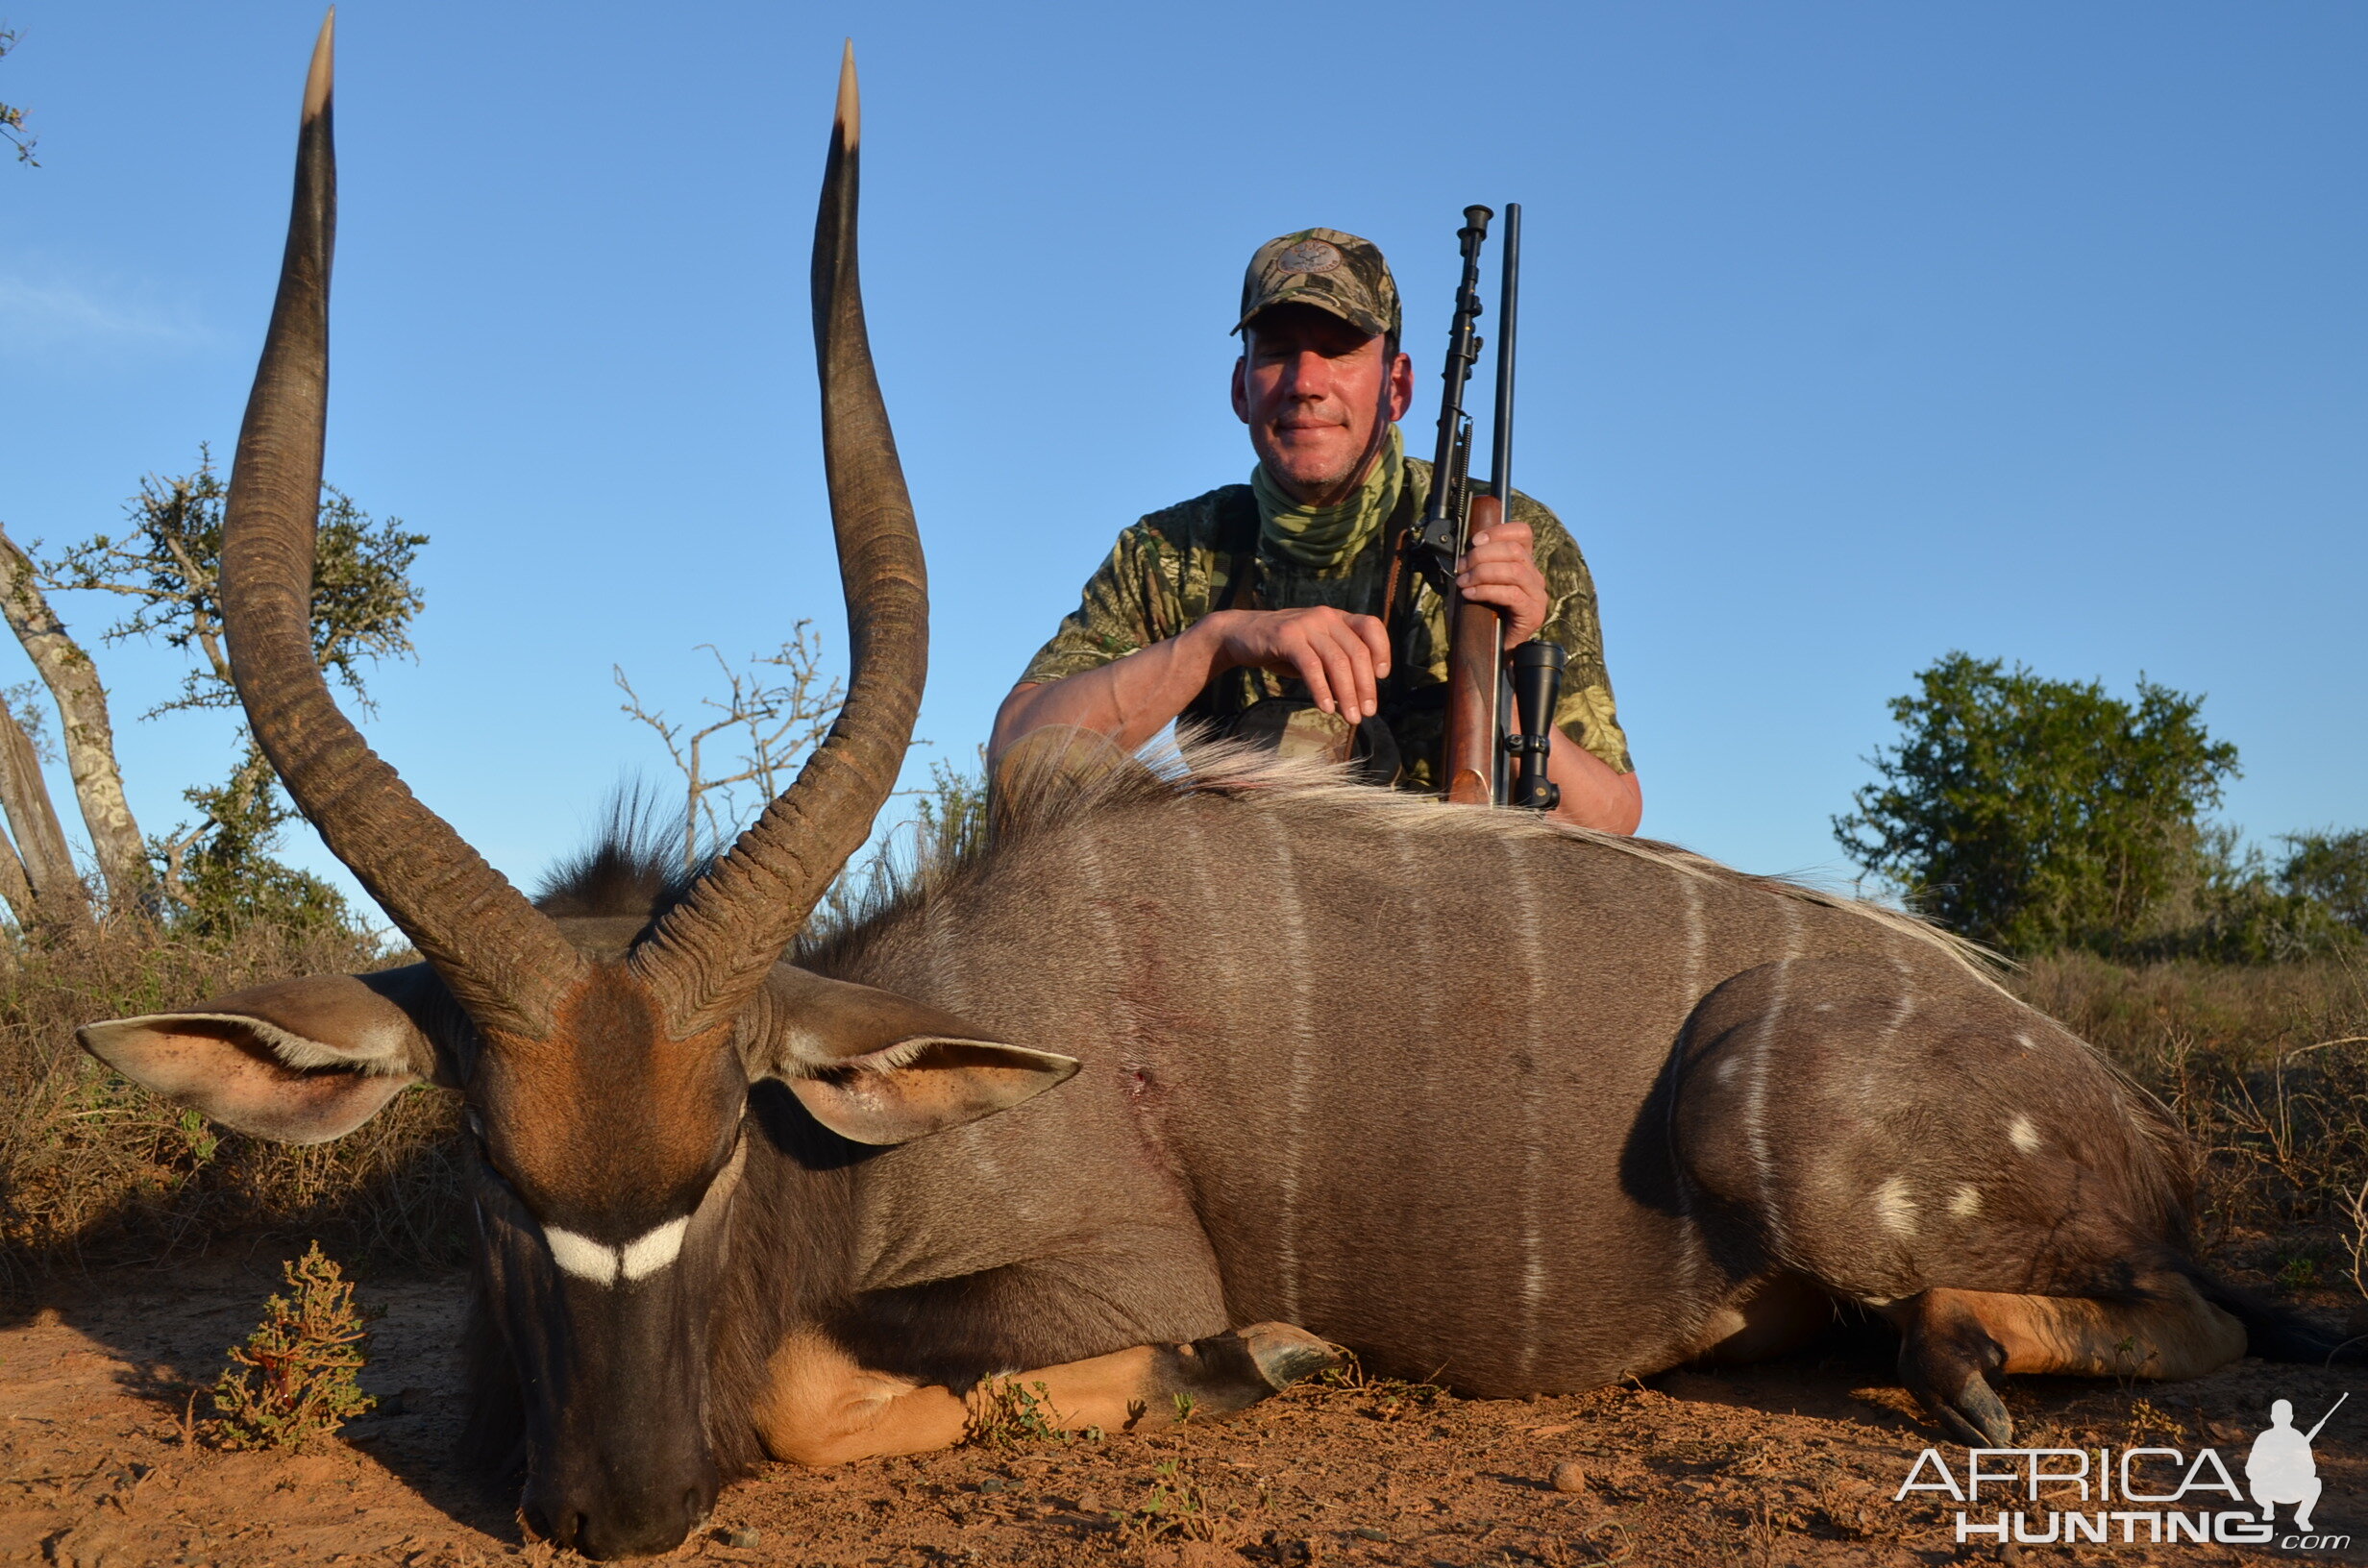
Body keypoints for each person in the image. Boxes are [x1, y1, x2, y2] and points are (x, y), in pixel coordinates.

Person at [990, 227, 1641, 833]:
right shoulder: (1163, 551)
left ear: (1398, 387)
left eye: (1338, 351)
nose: (1306, 382)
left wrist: (1499, 669)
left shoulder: (1510, 542)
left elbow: (1612, 815)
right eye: (1277, 354)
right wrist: (1214, 644)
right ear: (1242, 388)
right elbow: (1018, 757)